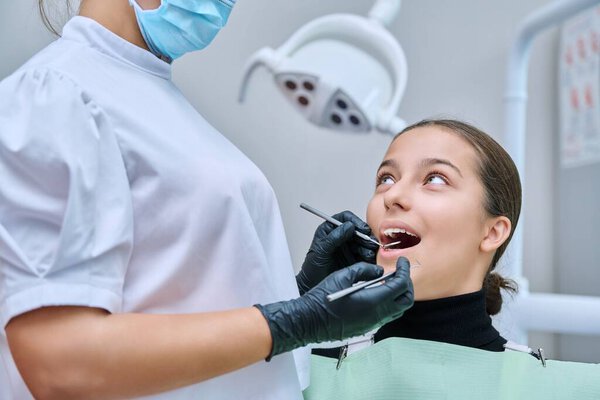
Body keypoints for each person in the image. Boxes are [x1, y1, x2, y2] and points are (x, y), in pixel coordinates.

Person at [0, 1, 414, 399]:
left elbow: (173, 298)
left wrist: (298, 295)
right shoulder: (58, 94)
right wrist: (295, 320)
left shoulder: (154, 99)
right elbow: (62, 363)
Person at [313, 118, 521, 359]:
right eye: (386, 179)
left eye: (435, 179)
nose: (392, 195)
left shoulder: (538, 386)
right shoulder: (312, 370)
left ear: (492, 233)